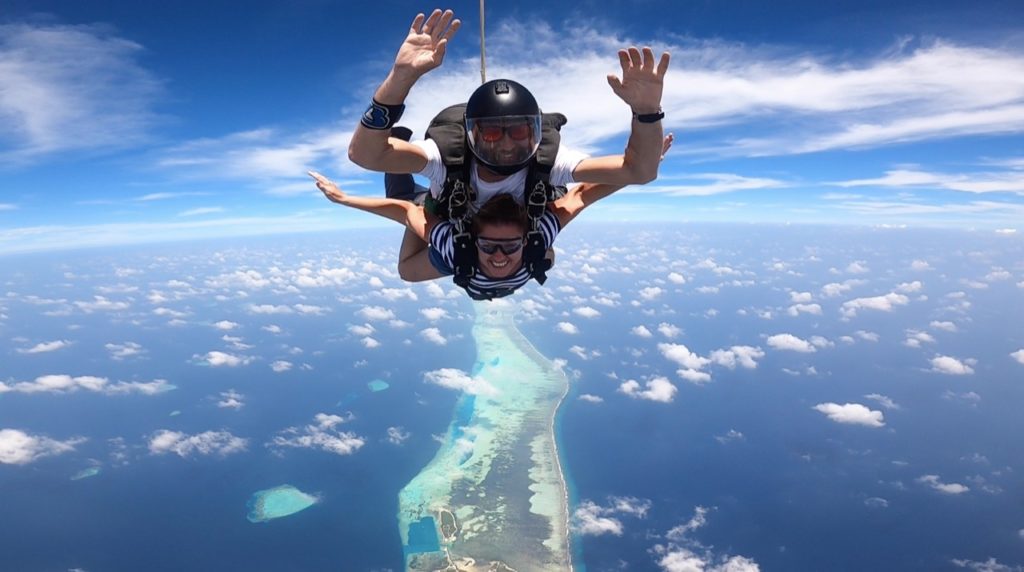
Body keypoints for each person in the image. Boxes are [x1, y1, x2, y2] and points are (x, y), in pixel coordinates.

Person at [347, 8, 671, 209]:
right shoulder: (447, 155)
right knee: (403, 200)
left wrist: (646, 113)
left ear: (535, 131)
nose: (505, 143)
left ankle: (399, 141)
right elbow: (365, 156)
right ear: (471, 135)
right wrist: (399, 78)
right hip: (446, 205)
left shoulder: (552, 159)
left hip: (493, 219)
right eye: (490, 132)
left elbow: (640, 171)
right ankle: (399, 138)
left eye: (518, 130)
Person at [309, 134, 673, 300]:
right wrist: (345, 200)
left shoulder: (460, 251)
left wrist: (636, 169)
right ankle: (406, 156)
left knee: (407, 267)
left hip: (462, 261)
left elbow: (582, 194)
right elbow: (406, 211)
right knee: (414, 202)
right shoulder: (530, 243)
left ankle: (430, 199)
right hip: (450, 231)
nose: (499, 256)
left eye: (505, 246)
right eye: (494, 246)